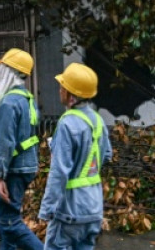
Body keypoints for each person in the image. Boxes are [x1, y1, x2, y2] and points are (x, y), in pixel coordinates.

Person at [39, 63, 112, 250]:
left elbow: (59, 172)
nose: (60, 89)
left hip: (69, 211)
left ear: (71, 96)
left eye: (63, 86)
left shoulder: (67, 124)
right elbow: (106, 154)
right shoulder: (98, 121)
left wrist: (46, 209)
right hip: (93, 208)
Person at [0, 48, 43, 250]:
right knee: (6, 227)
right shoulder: (27, 99)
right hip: (26, 166)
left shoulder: (9, 103)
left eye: (2, 67)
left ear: (8, 71)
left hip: (13, 170)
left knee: (8, 223)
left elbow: (5, 143)